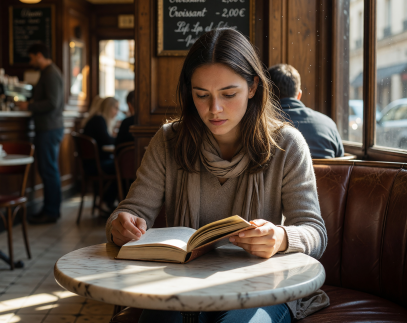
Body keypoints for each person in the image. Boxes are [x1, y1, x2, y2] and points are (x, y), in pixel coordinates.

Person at [107, 29, 328, 323]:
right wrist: (120, 225)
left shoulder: (286, 144)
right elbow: (131, 211)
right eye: (201, 95)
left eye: (228, 94)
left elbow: (315, 230)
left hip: (260, 287)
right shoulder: (169, 140)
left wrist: (281, 236)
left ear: (253, 87)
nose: (214, 109)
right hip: (179, 284)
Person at [19, 43, 64, 224]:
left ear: (39, 55)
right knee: (48, 170)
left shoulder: (50, 74)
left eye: (31, 58)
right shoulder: (50, 72)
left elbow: (52, 103)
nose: (31, 62)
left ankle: (51, 211)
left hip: (49, 128)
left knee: (49, 170)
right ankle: (50, 209)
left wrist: (29, 106)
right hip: (49, 127)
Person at [268, 64, 344, 159]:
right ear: (299, 95)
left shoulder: (262, 126)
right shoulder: (328, 124)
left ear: (267, 96)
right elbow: (340, 163)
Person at [83, 97, 119, 211]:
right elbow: (107, 141)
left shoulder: (97, 119)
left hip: (92, 163)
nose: (117, 112)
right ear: (109, 108)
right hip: (95, 165)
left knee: (120, 166)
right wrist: (119, 138)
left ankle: (107, 201)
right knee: (121, 167)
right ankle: (106, 202)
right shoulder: (99, 120)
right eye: (115, 108)